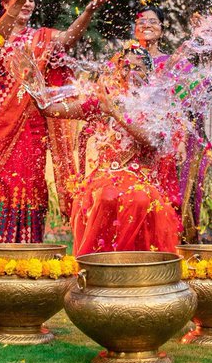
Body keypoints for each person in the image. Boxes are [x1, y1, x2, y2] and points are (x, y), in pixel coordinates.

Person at [0, 0, 112, 242]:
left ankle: (25, 249)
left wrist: (88, 12)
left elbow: (66, 41)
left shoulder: (41, 37)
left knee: (28, 181)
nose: (27, 4)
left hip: (30, 125)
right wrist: (17, 2)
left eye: (31, 0)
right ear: (5, 2)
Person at [42, 47, 181, 254]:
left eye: (138, 68)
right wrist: (33, 86)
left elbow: (151, 142)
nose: (131, 73)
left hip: (141, 178)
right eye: (126, 67)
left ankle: (137, 269)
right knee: (98, 196)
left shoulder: (155, 106)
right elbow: (52, 110)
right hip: (105, 176)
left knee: (137, 199)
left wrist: (116, 113)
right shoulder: (106, 100)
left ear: (148, 73)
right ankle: (96, 268)